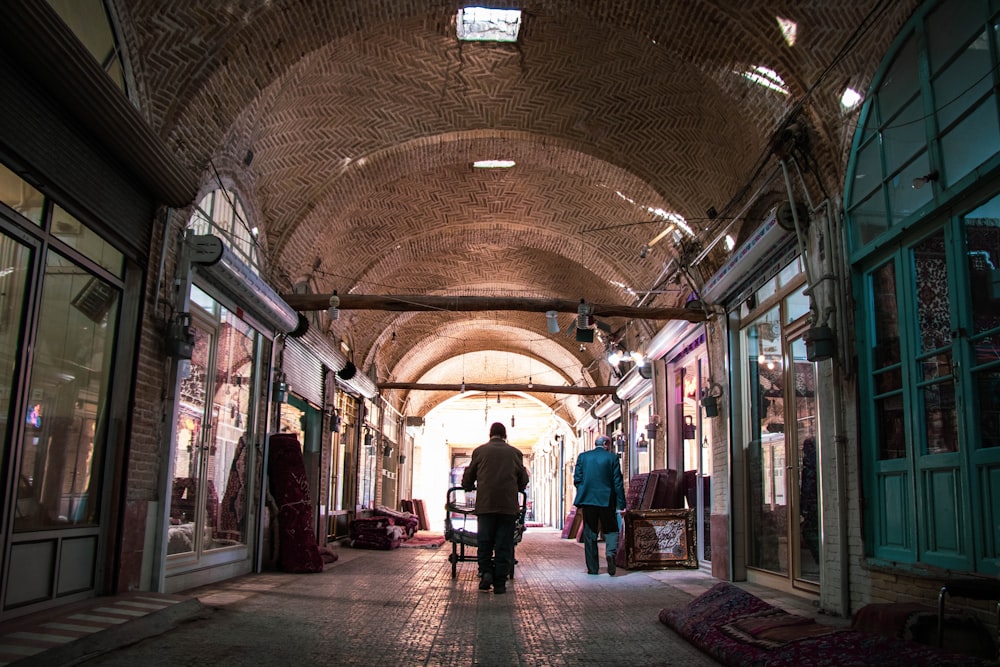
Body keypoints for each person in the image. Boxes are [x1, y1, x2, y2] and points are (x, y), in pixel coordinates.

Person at [461, 422, 529, 594]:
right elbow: (523, 479)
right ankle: (500, 582)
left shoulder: (480, 451)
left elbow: (469, 475)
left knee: (485, 541)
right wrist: (518, 487)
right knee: (504, 543)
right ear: (505, 435)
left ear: (490, 434)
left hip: (486, 505)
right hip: (508, 506)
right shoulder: (515, 453)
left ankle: (485, 573)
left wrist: (468, 485)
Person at [573, 434, 627, 575]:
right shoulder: (612, 458)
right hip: (607, 500)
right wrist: (621, 504)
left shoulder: (583, 457)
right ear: (606, 444)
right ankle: (610, 553)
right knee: (611, 528)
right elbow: (618, 483)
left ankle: (592, 567)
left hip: (588, 500)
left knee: (590, 532)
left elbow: (577, 478)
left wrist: (583, 491)